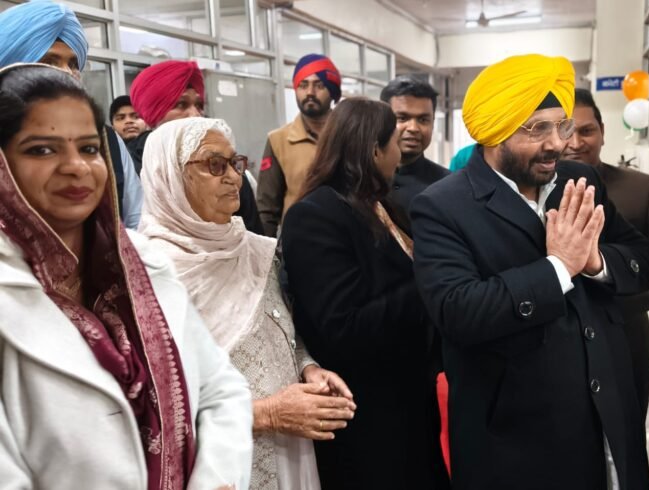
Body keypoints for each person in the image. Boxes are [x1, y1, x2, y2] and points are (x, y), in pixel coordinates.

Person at [0, 63, 252, 489]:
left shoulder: (140, 264)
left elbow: (220, 390)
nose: (76, 166)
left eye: (89, 148)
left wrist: (215, 480)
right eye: (41, 150)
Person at [410, 54, 649, 489]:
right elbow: (458, 312)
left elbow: (643, 260)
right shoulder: (442, 206)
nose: (557, 144)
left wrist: (596, 263)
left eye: (561, 126)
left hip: (608, 411)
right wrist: (558, 267)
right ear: (495, 133)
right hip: (515, 440)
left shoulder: (578, 181)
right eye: (537, 129)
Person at [138, 116, 357, 490]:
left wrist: (308, 368)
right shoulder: (149, 273)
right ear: (170, 176)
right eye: (214, 165)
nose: (234, 178)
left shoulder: (255, 251)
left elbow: (279, 329)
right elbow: (154, 406)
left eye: (234, 163)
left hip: (292, 444)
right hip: (222, 460)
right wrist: (269, 414)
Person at [280, 98, 450, 490]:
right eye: (394, 144)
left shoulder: (384, 204)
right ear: (374, 150)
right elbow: (341, 327)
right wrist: (429, 281)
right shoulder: (316, 215)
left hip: (409, 399)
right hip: (367, 414)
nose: (399, 156)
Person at [565, 88, 649, 422]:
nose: (576, 142)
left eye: (587, 130)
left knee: (627, 449)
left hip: (625, 347)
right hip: (558, 359)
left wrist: (618, 304)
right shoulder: (532, 192)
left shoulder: (641, 189)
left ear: (602, 132)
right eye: (566, 131)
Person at [0, 0, 143, 229]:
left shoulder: (107, 140)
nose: (67, 73)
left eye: (73, 63)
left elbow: (135, 217)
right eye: (49, 61)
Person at [128, 60, 264, 235]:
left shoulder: (227, 165)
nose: (195, 114)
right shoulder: (133, 166)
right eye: (181, 105)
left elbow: (251, 232)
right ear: (154, 112)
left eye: (199, 106)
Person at [256, 54, 342, 237]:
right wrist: (265, 249)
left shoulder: (349, 135)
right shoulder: (278, 140)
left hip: (346, 240)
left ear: (332, 91)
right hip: (298, 241)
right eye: (303, 85)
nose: (310, 92)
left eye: (319, 85)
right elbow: (267, 208)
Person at [380, 76, 449, 216]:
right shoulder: (360, 180)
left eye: (423, 120)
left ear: (433, 123)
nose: (413, 128)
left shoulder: (448, 185)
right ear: (382, 120)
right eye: (402, 118)